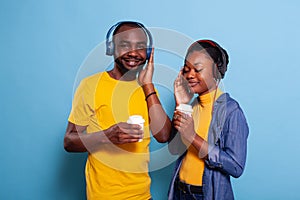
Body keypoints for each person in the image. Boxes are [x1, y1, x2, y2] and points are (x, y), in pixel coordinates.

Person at [64, 21, 171, 200]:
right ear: (111, 48)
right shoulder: (91, 85)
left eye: (140, 47)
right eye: (125, 45)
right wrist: (107, 136)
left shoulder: (147, 89)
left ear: (149, 53)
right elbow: (69, 142)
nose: (133, 53)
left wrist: (148, 85)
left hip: (143, 196)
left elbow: (163, 135)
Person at [168, 39, 249, 200]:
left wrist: (193, 137)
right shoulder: (191, 105)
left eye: (197, 69)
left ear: (216, 72)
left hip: (204, 195)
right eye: (187, 68)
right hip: (180, 191)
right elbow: (174, 150)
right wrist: (180, 105)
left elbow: (236, 166)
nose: (190, 75)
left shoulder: (231, 111)